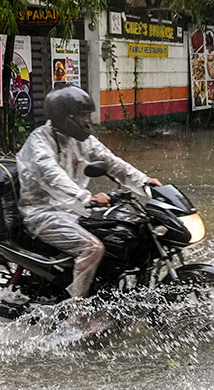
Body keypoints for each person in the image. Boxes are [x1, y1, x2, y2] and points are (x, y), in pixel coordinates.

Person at [16, 85, 161, 299]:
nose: (87, 122)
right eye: (82, 116)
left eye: (87, 116)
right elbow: (52, 176)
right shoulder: (39, 142)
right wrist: (86, 197)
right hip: (42, 213)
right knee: (92, 247)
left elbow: (111, 162)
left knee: (126, 233)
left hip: (73, 209)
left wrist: (144, 181)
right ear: (65, 117)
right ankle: (78, 309)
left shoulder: (80, 139)